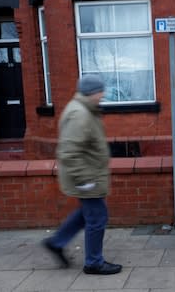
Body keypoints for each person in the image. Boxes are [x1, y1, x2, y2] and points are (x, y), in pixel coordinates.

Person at [42, 74, 122, 275]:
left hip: (90, 174)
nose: (103, 94)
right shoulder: (80, 114)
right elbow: (68, 152)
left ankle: (56, 242)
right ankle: (93, 262)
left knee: (86, 214)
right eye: (100, 91)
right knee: (97, 217)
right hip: (87, 177)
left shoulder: (85, 109)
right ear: (92, 92)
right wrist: (83, 179)